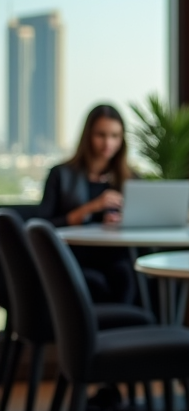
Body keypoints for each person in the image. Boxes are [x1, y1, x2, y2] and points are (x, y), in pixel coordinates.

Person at [37, 104, 137, 305]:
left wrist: (123, 219)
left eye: (115, 136)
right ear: (88, 136)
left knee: (128, 273)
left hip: (116, 256)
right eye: (101, 135)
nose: (108, 143)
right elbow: (42, 227)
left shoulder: (131, 178)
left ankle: (133, 330)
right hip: (74, 257)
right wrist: (92, 207)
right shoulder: (61, 175)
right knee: (102, 280)